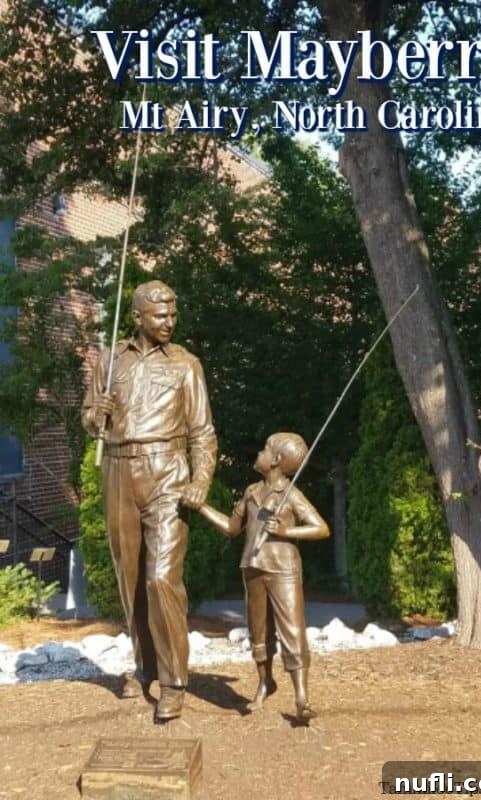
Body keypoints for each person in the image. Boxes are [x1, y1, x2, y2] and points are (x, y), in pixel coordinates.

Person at [81, 280, 217, 720]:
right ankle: (145, 667)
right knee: (131, 578)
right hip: (119, 470)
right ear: (138, 316)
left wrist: (201, 479)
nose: (169, 322)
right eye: (160, 315)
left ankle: (175, 681)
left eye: (173, 314)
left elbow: (203, 432)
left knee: (161, 578)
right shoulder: (109, 360)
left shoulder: (186, 365)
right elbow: (89, 420)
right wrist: (93, 415)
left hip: (167, 472)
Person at [187, 432, 329, 721]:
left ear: (276, 460)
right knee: (258, 631)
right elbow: (231, 527)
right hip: (252, 567)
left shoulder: (292, 495)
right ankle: (265, 682)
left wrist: (287, 531)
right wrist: (201, 507)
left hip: (284, 569)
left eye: (265, 449)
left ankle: (301, 697)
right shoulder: (252, 493)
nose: (259, 452)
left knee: (292, 630)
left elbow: (321, 528)